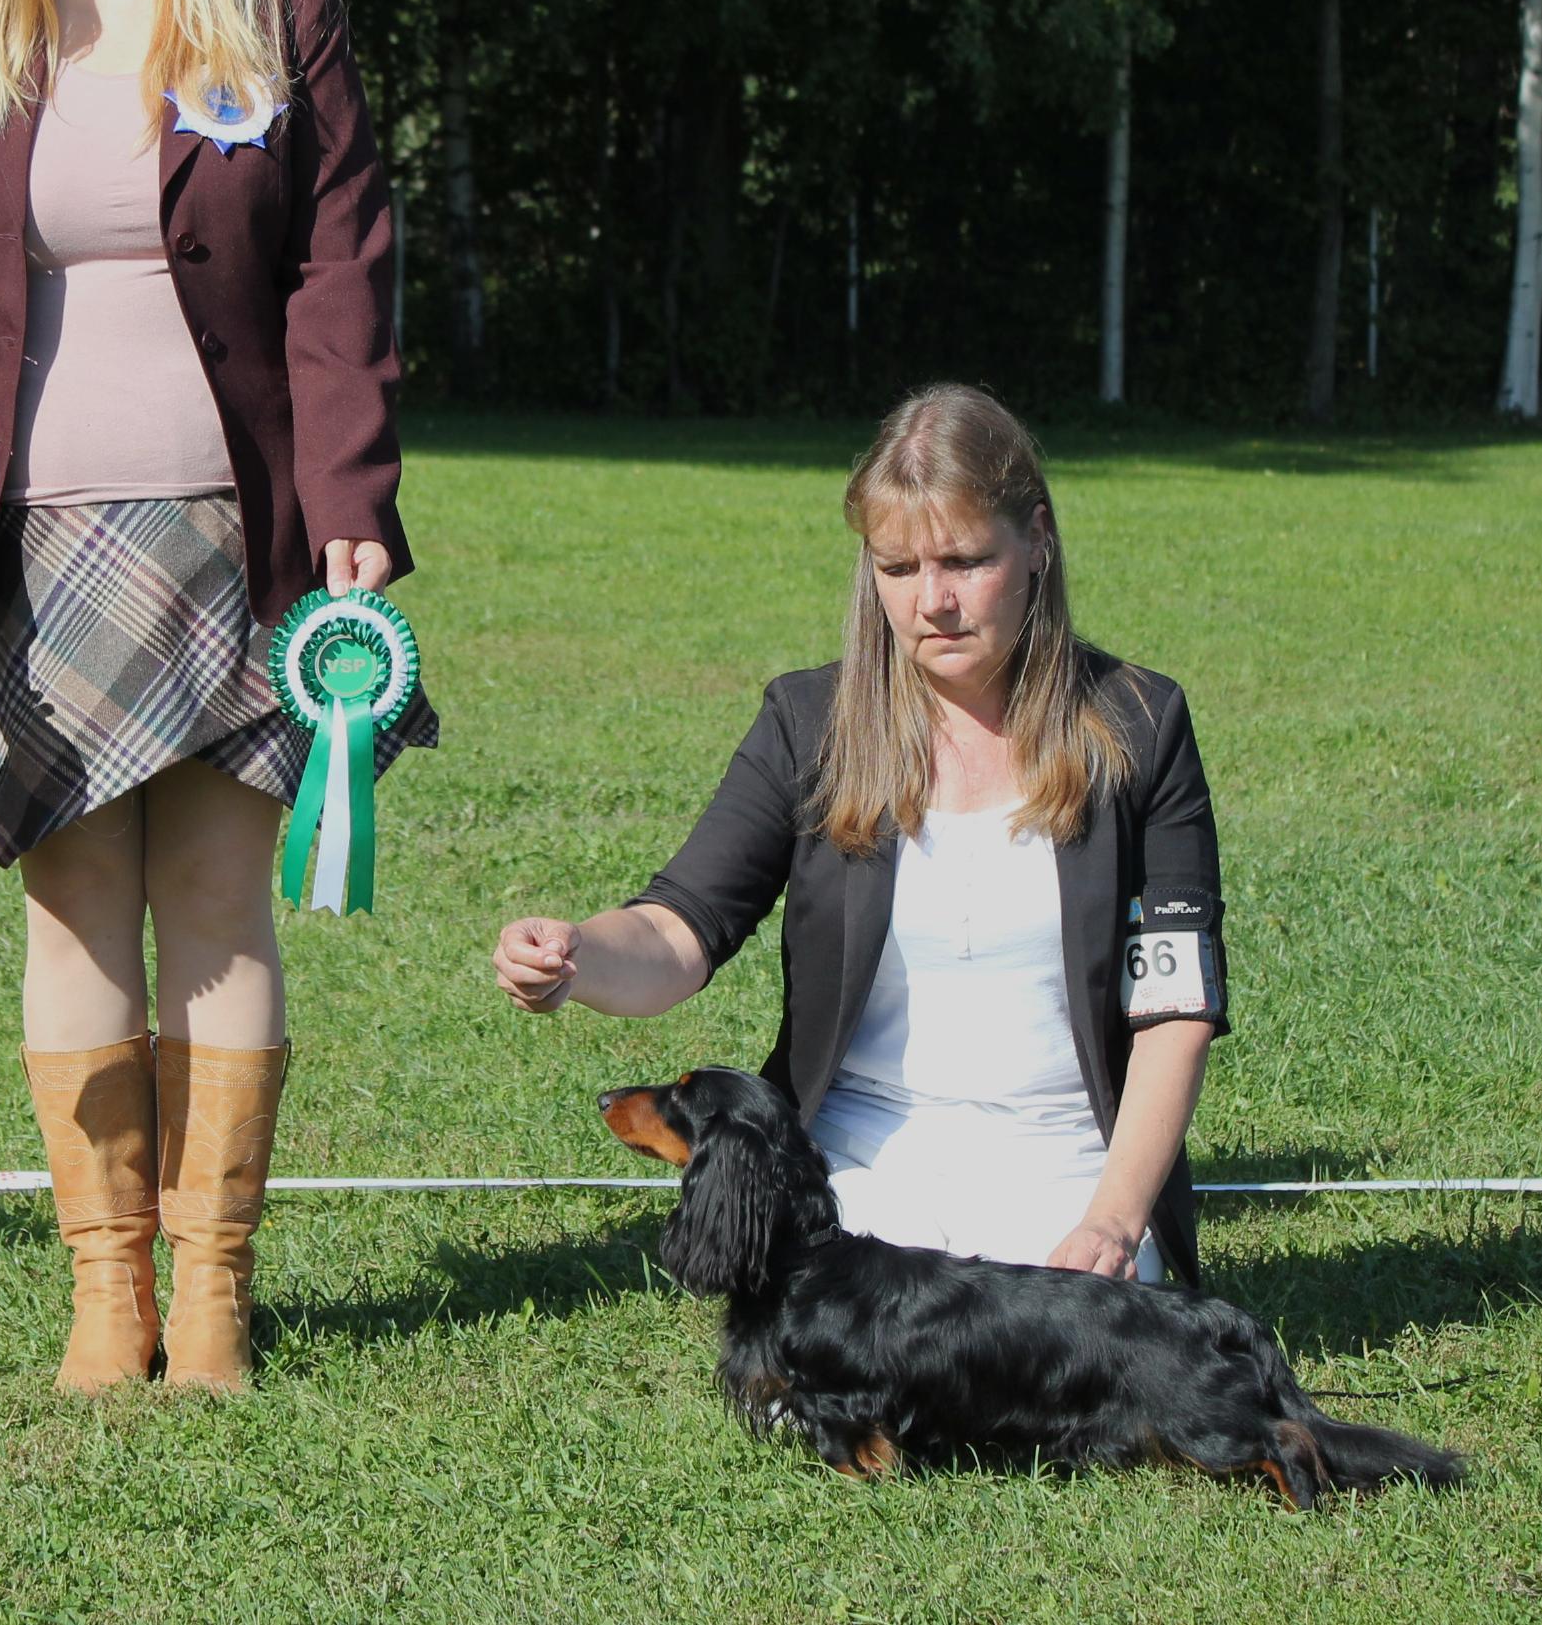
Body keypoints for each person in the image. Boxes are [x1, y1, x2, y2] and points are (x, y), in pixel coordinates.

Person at [0, 0, 435, 1394]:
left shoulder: (282, 5)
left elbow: (340, 266)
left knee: (219, 904)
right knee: (73, 904)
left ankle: (215, 1296)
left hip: (238, 540)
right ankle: (107, 1296)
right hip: (31, 554)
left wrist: (350, 497)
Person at [492, 384, 1229, 1284]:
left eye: (964, 560)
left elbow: (1176, 1009)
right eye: (897, 567)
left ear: (1037, 539)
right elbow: (679, 926)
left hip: (1070, 1166)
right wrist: (575, 956)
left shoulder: (1141, 724)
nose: (932, 601)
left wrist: (1111, 1220)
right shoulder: (806, 723)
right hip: (853, 1167)